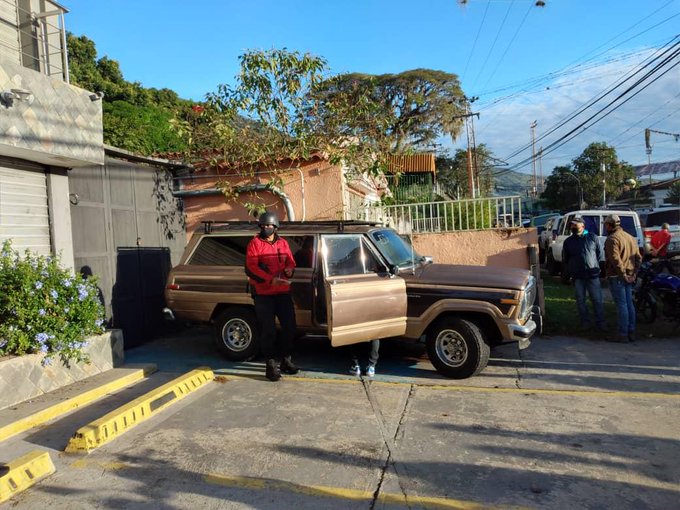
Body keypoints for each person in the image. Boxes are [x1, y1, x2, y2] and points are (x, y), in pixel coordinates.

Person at [245, 211, 299, 381]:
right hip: (263, 294)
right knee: (268, 331)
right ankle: (270, 364)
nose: (266, 228)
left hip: (282, 292)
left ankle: (285, 359)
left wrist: (290, 270)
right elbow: (251, 267)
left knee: (290, 327)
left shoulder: (282, 243)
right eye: (264, 225)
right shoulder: (254, 243)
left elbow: (290, 260)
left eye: (269, 225)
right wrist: (270, 280)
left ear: (276, 227)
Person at [562, 215, 606, 331]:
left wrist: (598, 268)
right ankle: (585, 322)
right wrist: (568, 273)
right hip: (577, 276)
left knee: (597, 299)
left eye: (575, 224)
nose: (573, 226)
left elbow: (599, 254)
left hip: (592, 274)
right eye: (572, 224)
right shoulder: (568, 241)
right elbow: (566, 258)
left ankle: (600, 322)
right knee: (580, 300)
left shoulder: (592, 237)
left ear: (582, 225)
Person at [604, 214, 642, 343]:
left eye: (606, 225)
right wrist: (634, 273)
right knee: (629, 305)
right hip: (629, 275)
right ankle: (631, 332)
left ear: (610, 225)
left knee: (622, 306)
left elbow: (616, 260)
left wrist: (623, 275)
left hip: (617, 277)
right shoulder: (630, 237)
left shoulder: (612, 239)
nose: (605, 227)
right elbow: (638, 257)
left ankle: (622, 333)